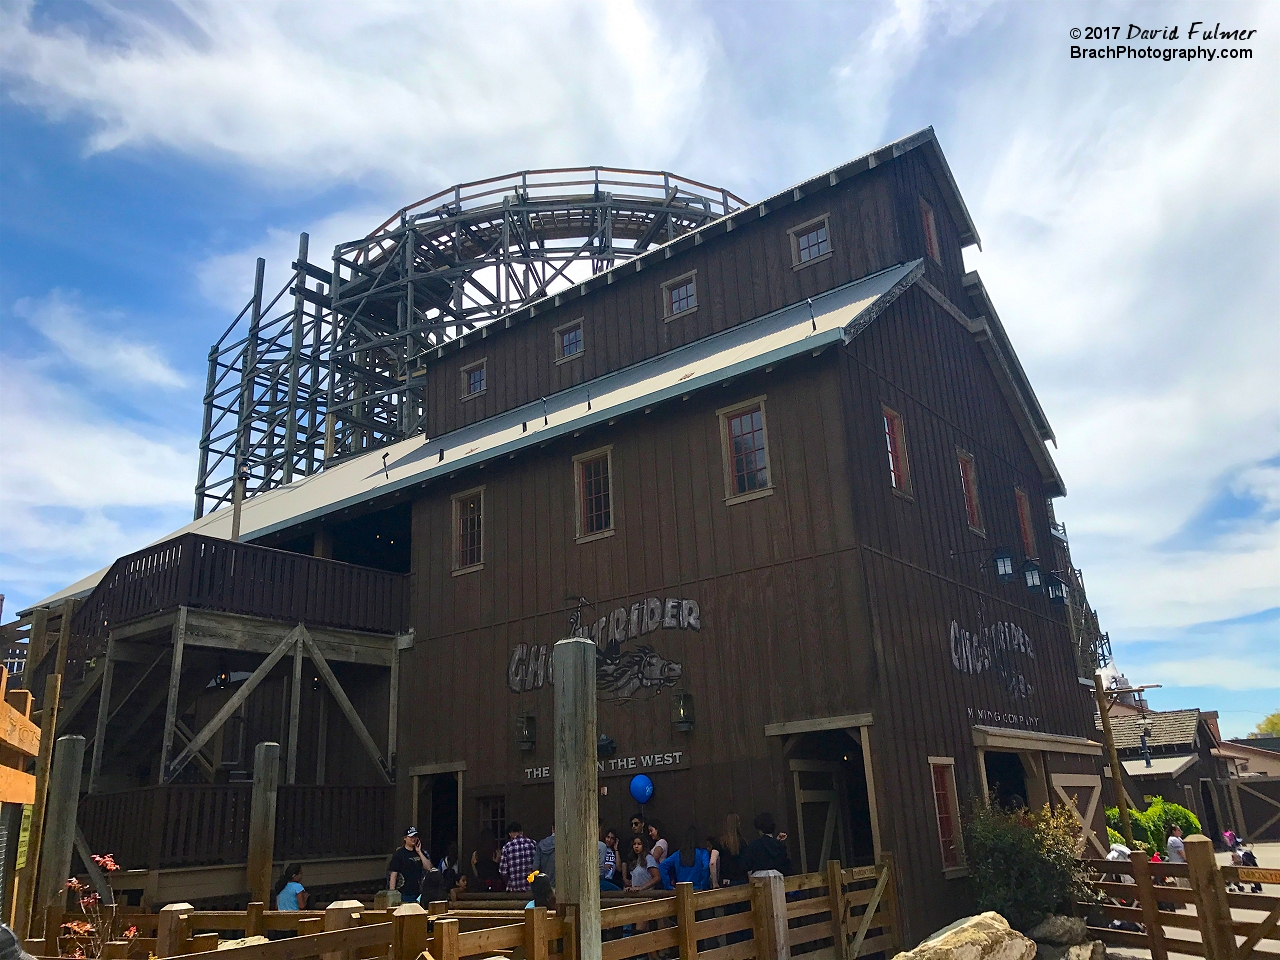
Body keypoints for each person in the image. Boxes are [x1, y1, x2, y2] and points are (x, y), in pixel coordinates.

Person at [388, 827, 434, 903]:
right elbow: (393, 874)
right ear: (405, 838)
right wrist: (392, 893)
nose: (414, 839)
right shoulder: (399, 854)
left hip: (418, 892)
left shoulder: (421, 852)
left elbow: (428, 867)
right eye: (411, 837)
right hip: (404, 893)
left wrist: (419, 852)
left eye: (415, 837)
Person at [499, 822, 538, 893]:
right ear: (521, 832)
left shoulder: (507, 847)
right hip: (531, 890)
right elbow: (538, 866)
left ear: (510, 834)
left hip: (514, 890)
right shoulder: (533, 844)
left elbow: (503, 872)